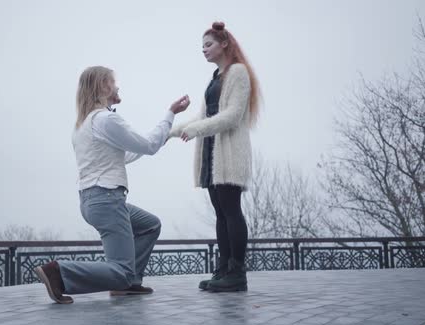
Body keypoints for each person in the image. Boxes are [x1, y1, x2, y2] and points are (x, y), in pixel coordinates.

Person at [34, 66, 190, 304]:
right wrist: (170, 114)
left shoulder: (84, 125)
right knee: (121, 270)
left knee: (149, 225)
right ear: (103, 86)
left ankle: (129, 284)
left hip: (92, 201)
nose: (117, 86)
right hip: (106, 199)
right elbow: (148, 145)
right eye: (114, 82)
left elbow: (125, 155)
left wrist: (164, 136)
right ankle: (60, 272)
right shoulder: (107, 119)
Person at [168, 22, 261, 292]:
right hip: (212, 150)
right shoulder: (215, 77)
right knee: (220, 212)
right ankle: (223, 270)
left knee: (231, 209)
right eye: (202, 46)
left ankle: (237, 272)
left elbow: (232, 116)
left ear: (224, 44)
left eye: (208, 45)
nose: (204, 50)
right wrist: (174, 131)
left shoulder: (239, 73)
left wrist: (196, 130)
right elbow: (205, 115)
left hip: (229, 150)